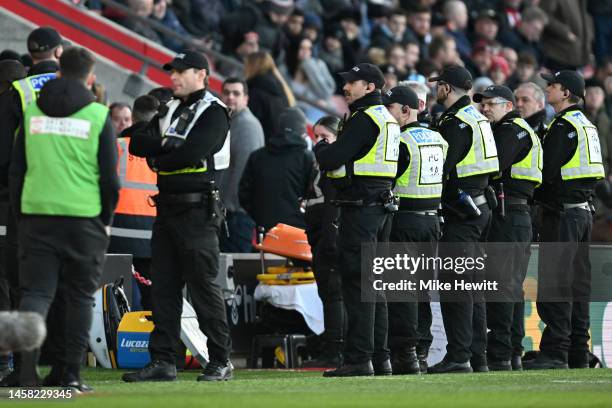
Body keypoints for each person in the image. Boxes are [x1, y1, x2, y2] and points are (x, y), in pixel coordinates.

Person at [8, 46, 120, 391]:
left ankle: (27, 373)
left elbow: (17, 171)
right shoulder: (99, 116)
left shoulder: (31, 115)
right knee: (79, 297)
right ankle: (69, 373)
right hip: (84, 219)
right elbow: (109, 178)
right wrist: (105, 217)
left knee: (36, 294)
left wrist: (21, 214)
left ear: (57, 72)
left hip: (37, 216)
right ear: (89, 76)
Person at [122, 50, 233, 382]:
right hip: (167, 207)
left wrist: (161, 153)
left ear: (201, 74)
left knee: (203, 288)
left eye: (181, 72)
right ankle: (163, 360)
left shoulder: (214, 111)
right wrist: (165, 150)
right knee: (164, 289)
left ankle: (220, 360)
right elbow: (135, 143)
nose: (173, 77)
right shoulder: (169, 108)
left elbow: (193, 151)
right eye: (172, 72)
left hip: (198, 209)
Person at [315, 63, 400, 377]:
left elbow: (333, 158)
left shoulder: (365, 118)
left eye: (353, 82)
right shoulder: (386, 118)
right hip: (378, 206)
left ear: (370, 87)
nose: (346, 87)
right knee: (373, 286)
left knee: (357, 284)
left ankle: (358, 359)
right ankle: (380, 358)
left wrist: (321, 148)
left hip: (361, 207)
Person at [526, 70, 605, 370]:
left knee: (555, 285)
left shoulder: (561, 126)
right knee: (577, 286)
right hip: (583, 212)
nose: (548, 88)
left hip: (562, 213)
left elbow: (547, 173)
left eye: (553, 85)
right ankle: (576, 351)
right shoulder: (587, 125)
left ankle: (555, 353)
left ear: (567, 93)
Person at [0, 26, 63, 388]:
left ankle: (21, 365)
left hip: (16, 205)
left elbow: (5, 156)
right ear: (59, 51)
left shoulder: (16, 94)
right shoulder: (82, 94)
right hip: (67, 204)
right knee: (65, 287)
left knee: (21, 284)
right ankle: (65, 365)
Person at [428, 65, 499, 374]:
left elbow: (444, 168)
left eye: (438, 85)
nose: (435, 90)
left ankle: (459, 356)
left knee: (456, 286)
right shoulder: (477, 117)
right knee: (472, 287)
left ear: (446, 88)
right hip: (480, 207)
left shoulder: (455, 122)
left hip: (462, 212)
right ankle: (477, 356)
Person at [473, 85, 542, 371]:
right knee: (510, 287)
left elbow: (493, 166)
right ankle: (511, 351)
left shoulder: (510, 131)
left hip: (508, 213)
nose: (486, 108)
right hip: (517, 213)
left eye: (492, 104)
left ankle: (501, 353)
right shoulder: (520, 129)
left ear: (509, 107)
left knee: (501, 286)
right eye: (483, 104)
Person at [384, 85, 448, 375]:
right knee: (421, 290)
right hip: (432, 221)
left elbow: (388, 177)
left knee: (403, 289)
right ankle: (421, 349)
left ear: (406, 111)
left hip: (406, 220)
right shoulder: (438, 138)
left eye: (391, 109)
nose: (387, 115)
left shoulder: (400, 141)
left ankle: (406, 353)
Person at [108, 95, 160, 311]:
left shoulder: (115, 147)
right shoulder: (162, 151)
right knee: (151, 297)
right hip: (151, 236)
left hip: (115, 235)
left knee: (112, 296)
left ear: (134, 117)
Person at [302, 116, 343, 368]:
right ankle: (334, 344)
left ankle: (335, 348)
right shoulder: (318, 163)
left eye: (324, 137)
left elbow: (332, 204)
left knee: (333, 292)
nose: (318, 142)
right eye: (315, 137)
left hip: (329, 234)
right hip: (319, 232)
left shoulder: (334, 163)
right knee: (327, 292)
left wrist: (330, 236)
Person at [239, 107, 314, 231]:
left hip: (265, 229)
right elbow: (315, 197)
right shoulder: (308, 158)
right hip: (298, 232)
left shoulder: (257, 156)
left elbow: (244, 194)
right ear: (303, 132)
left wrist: (260, 216)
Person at [219, 77, 264, 252]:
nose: (230, 97)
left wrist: (230, 207)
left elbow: (243, 172)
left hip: (236, 214)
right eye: (226, 93)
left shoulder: (247, 126)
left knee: (233, 272)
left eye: (236, 93)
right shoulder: (230, 121)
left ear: (246, 99)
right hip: (229, 212)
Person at [244, 51, 296, 142]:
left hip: (261, 143)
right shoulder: (282, 88)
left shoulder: (255, 91)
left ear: (251, 66)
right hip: (277, 144)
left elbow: (248, 124)